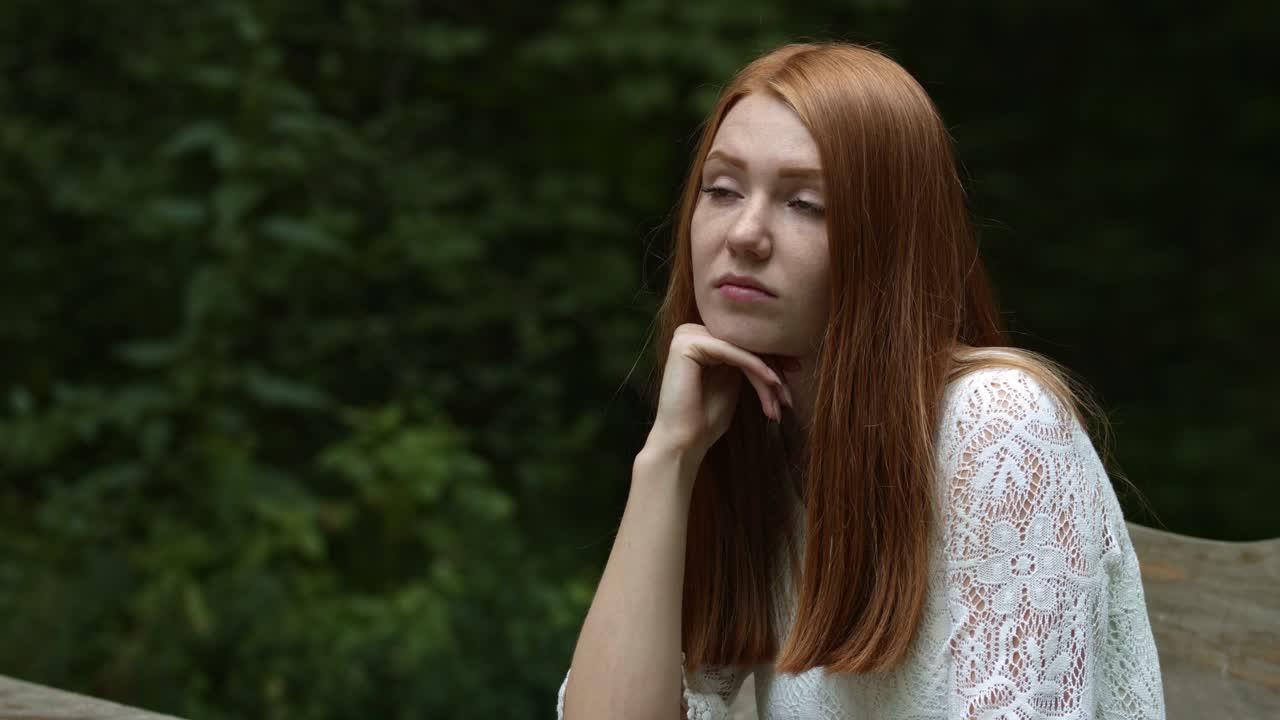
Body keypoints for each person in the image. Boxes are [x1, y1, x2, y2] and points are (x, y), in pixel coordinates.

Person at [556, 41, 1165, 719]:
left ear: (887, 241)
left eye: (805, 204)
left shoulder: (998, 426)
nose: (745, 234)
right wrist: (668, 457)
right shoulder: (753, 437)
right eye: (722, 190)